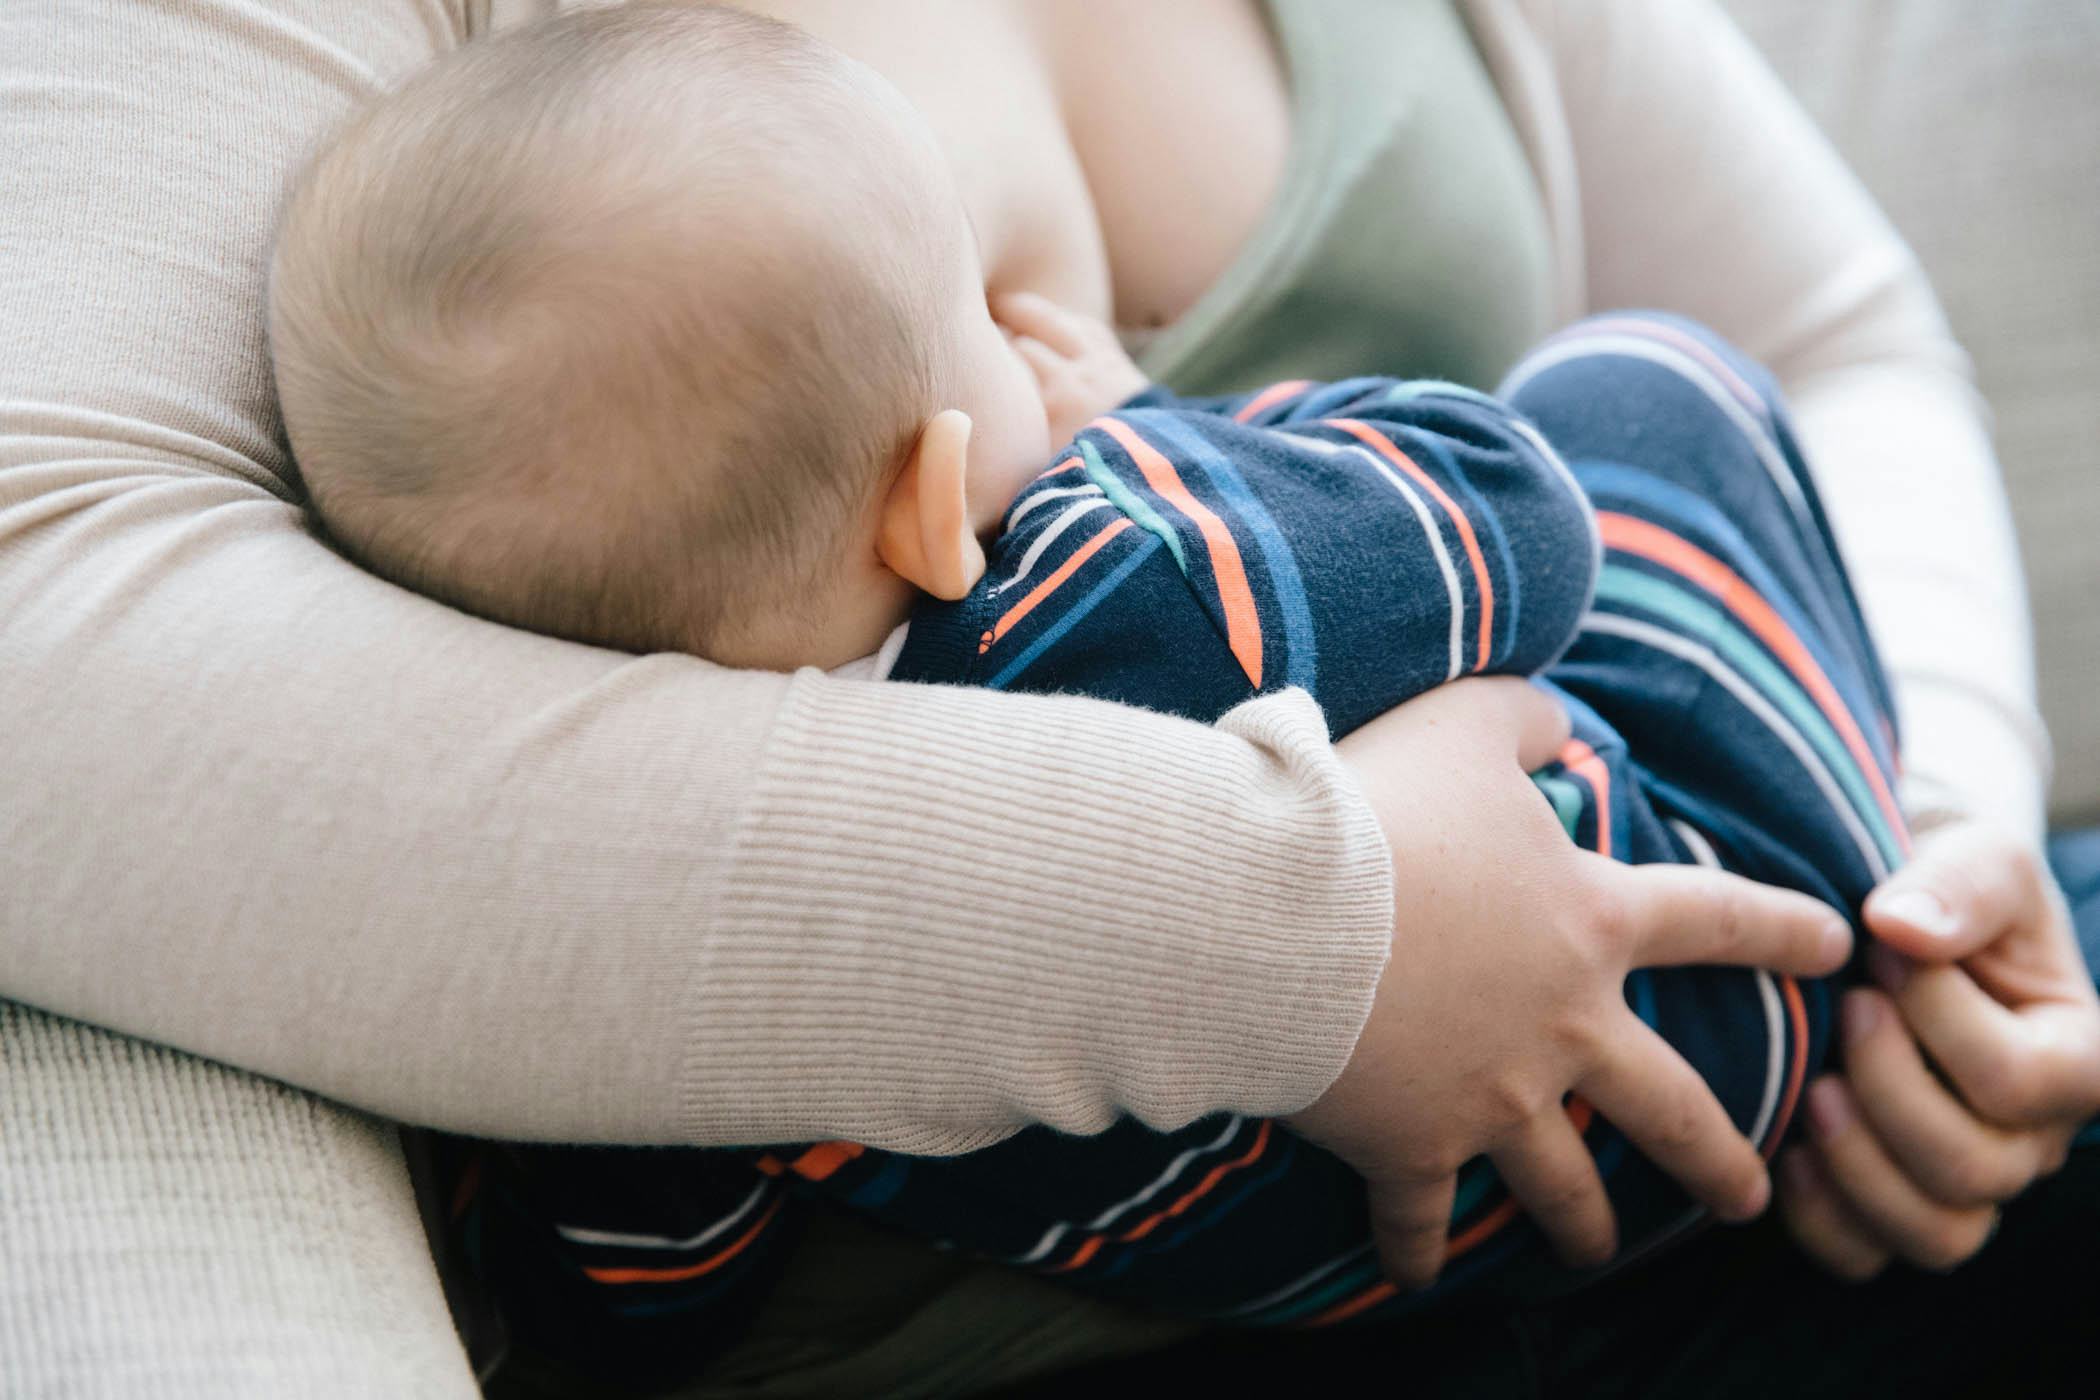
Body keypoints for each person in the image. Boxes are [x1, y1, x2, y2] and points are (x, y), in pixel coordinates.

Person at [2, 0, 2094, 1394]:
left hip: (1811, 1021)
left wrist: (1943, 849)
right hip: (1426, 1232)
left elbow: (1832, 328)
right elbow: (52, 658)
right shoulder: (1147, 558)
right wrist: (1308, 935)